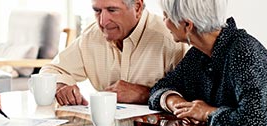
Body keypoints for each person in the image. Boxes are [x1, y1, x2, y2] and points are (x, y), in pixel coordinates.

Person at [147, 0, 267, 125]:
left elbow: (256, 121)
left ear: (187, 25)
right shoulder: (198, 55)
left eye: (166, 16)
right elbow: (160, 88)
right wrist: (176, 103)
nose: (163, 22)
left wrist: (207, 113)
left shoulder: (244, 52)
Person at [39, 0, 189, 106]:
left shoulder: (170, 39)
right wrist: (60, 86)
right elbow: (51, 70)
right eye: (97, 11)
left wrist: (144, 94)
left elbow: (194, 96)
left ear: (137, 7)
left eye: (112, 10)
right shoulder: (92, 35)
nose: (103, 21)